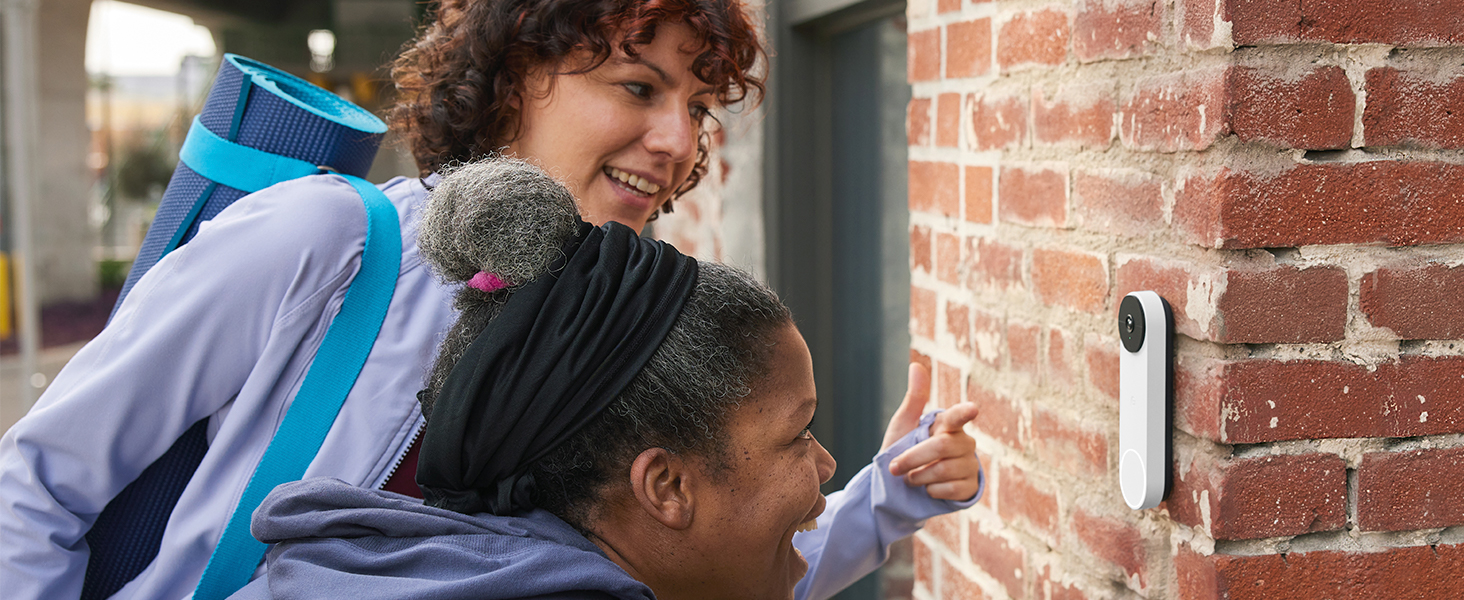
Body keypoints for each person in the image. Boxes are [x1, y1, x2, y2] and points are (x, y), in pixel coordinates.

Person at [0, 0, 983, 598]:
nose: (680, 142)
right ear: (517, 78)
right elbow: (40, 484)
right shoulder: (326, 241)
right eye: (637, 87)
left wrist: (884, 501)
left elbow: (692, 568)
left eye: (696, 108)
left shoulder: (604, 329)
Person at [228, 157, 980, 600]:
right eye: (797, 435)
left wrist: (888, 498)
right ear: (666, 487)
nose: (824, 463)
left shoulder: (414, 559)